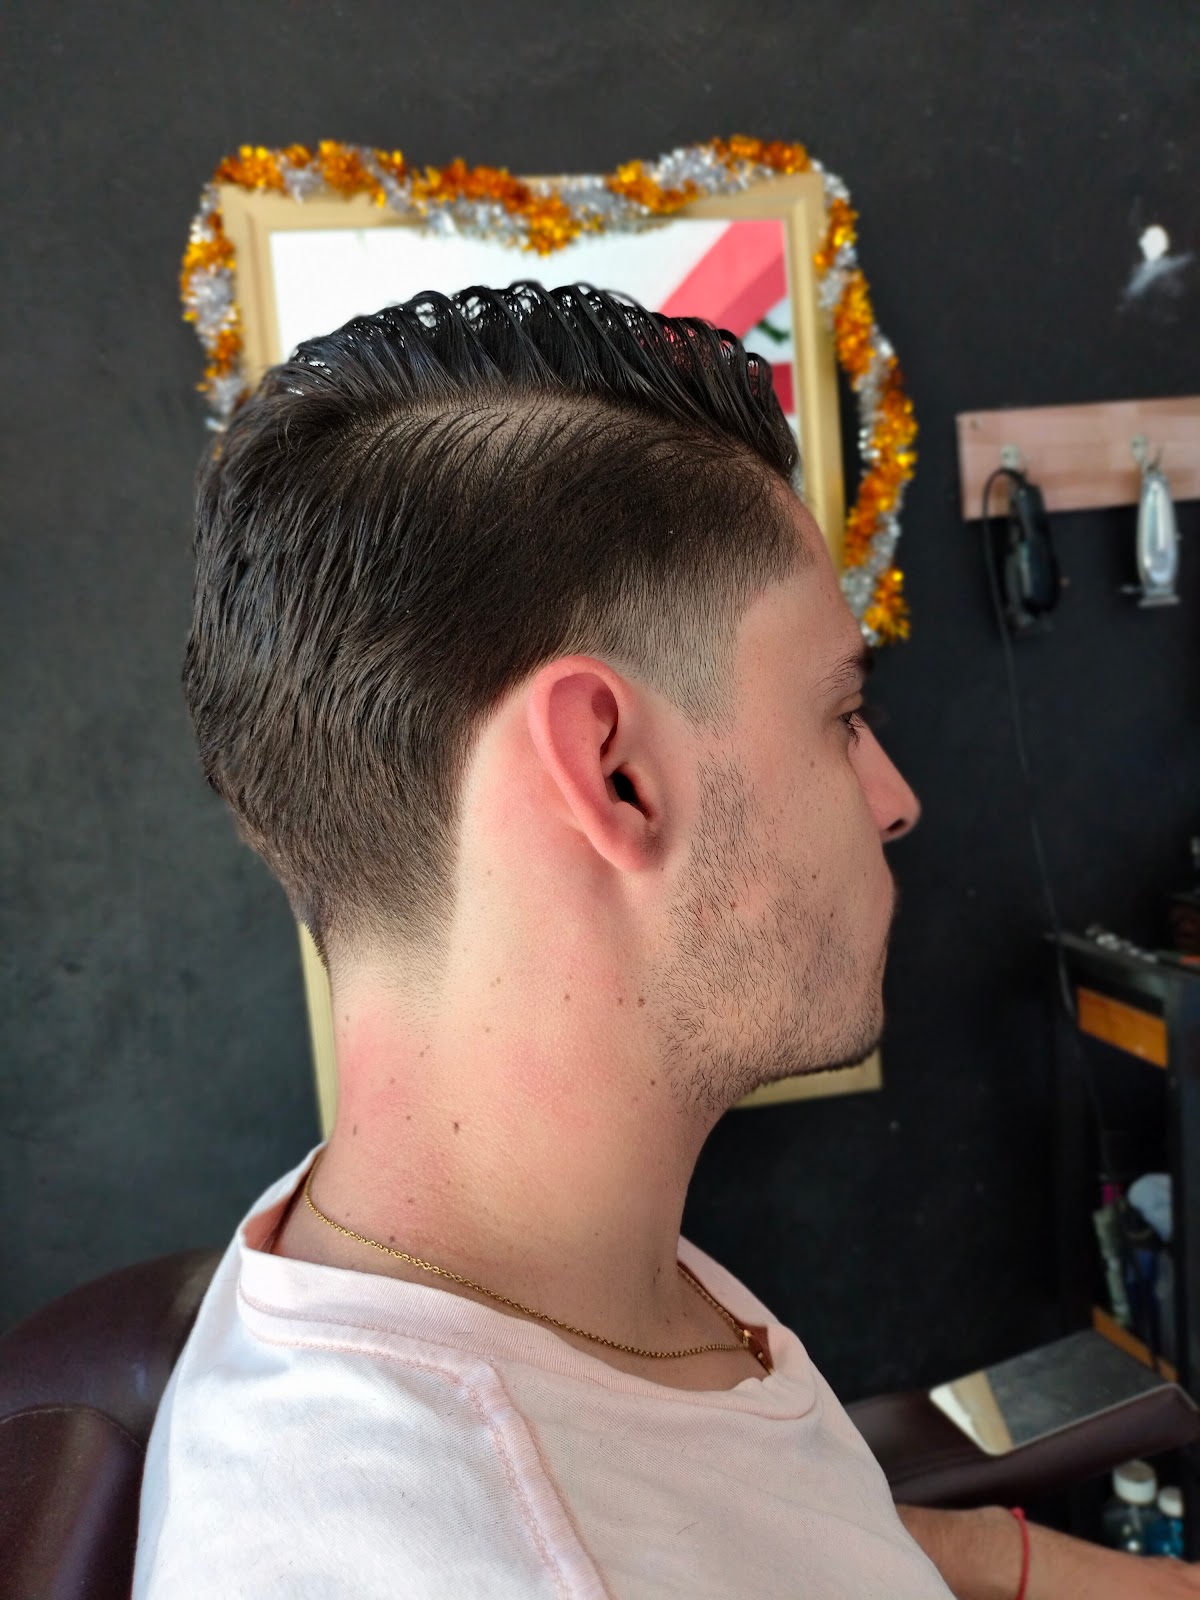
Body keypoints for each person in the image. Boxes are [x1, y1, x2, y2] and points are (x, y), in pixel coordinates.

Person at [134, 284, 1200, 1598]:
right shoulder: (488, 1560)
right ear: (616, 774)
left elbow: (749, 1519)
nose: (894, 798)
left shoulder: (449, 1249)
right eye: (841, 716)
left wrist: (1013, 1561)